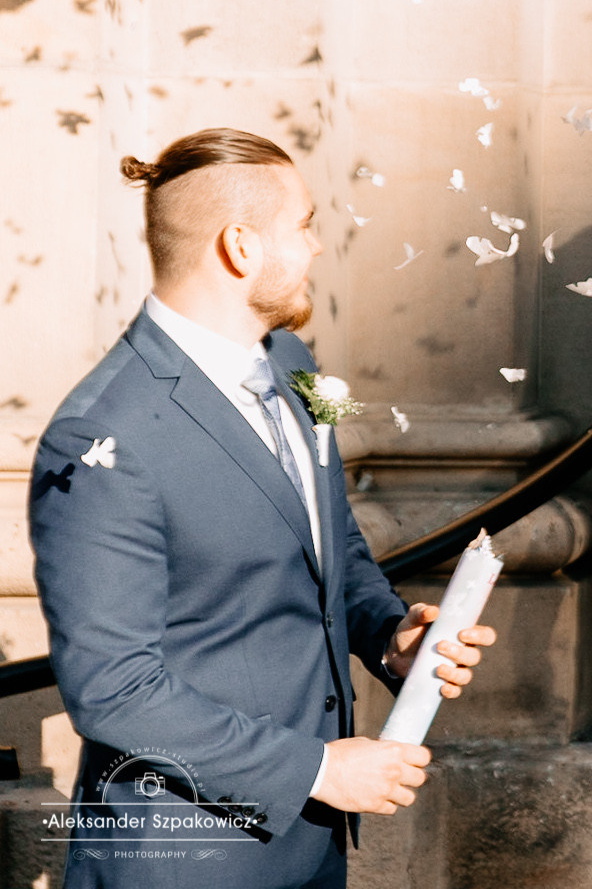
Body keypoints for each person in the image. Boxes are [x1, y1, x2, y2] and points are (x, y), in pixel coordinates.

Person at [29, 129, 498, 889]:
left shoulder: (291, 362)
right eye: (305, 225)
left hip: (309, 849)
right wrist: (315, 768)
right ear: (240, 246)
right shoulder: (101, 435)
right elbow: (113, 688)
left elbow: (331, 542)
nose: (316, 247)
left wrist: (390, 637)